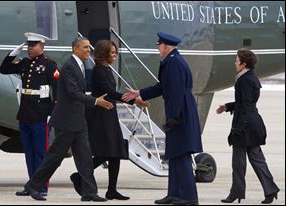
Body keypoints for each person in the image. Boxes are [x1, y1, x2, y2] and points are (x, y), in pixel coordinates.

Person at [23, 37, 114, 202]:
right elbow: (73, 93)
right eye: (85, 47)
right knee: (54, 158)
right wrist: (95, 101)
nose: (89, 50)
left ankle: (89, 192)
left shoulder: (80, 65)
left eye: (89, 48)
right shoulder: (68, 67)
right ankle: (33, 187)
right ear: (75, 49)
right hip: (66, 122)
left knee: (85, 158)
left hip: (78, 121)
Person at [122, 32, 202, 205]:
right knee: (174, 155)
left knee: (182, 155)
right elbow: (162, 87)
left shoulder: (173, 63)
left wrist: (174, 117)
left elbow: (175, 93)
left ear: (166, 46)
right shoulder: (173, 61)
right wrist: (140, 92)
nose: (158, 48)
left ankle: (189, 197)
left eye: (159, 45)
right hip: (180, 111)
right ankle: (174, 193)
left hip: (180, 113)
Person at [69, 40, 149, 200]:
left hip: (109, 114)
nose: (114, 55)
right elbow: (110, 92)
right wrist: (134, 100)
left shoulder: (106, 69)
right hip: (101, 115)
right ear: (104, 54)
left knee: (116, 152)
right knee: (107, 152)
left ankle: (112, 190)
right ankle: (79, 176)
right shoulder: (99, 70)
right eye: (112, 53)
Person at [217, 48, 280, 204]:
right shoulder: (250, 77)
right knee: (257, 160)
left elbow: (244, 105)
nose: (235, 62)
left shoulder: (244, 80)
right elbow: (246, 103)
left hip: (245, 126)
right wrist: (228, 106)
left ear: (243, 64)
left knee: (238, 163)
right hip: (253, 123)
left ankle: (236, 193)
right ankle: (270, 190)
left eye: (237, 60)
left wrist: (238, 128)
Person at [0, 32, 59, 196]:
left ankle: (42, 187)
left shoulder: (49, 65)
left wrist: (51, 114)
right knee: (29, 152)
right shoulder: (24, 63)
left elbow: (58, 90)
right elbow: (3, 69)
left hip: (40, 114)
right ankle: (31, 185)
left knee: (40, 153)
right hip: (25, 113)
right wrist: (13, 54)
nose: (29, 48)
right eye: (28, 45)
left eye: (33, 45)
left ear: (42, 46)